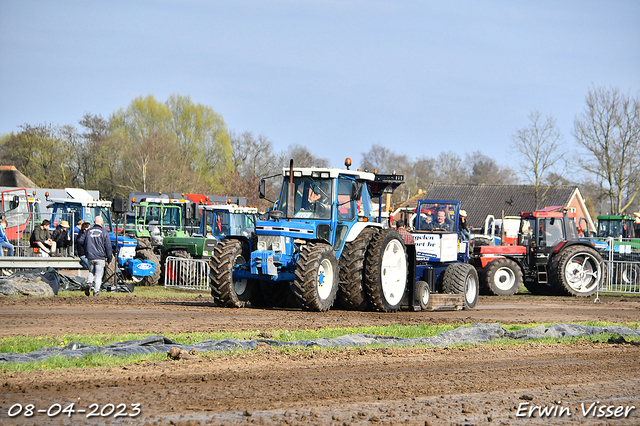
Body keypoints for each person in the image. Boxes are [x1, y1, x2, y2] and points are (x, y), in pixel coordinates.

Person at [77, 216, 112, 297]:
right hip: (100, 257)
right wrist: (109, 258)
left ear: (94, 222)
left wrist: (86, 247)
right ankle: (96, 292)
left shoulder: (88, 231)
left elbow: (80, 241)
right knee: (99, 275)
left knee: (91, 272)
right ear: (101, 222)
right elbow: (108, 247)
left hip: (90, 256)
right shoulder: (104, 232)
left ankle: (89, 283)